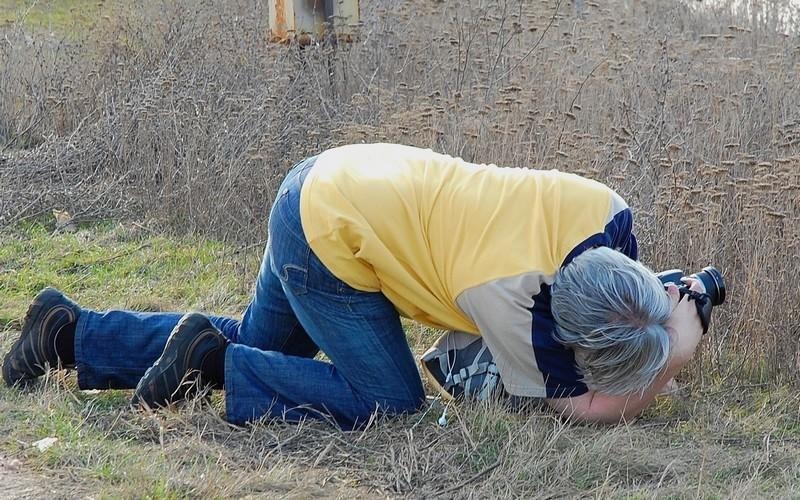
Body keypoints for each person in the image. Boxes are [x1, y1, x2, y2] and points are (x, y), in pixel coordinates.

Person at [2, 143, 705, 428]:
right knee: (392, 402)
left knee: (267, 343)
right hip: (332, 236)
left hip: (333, 178)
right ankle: (217, 363)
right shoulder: (505, 298)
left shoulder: (608, 212)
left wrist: (661, 317)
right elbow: (574, 406)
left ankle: (65, 334)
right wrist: (676, 350)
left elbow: (616, 317)